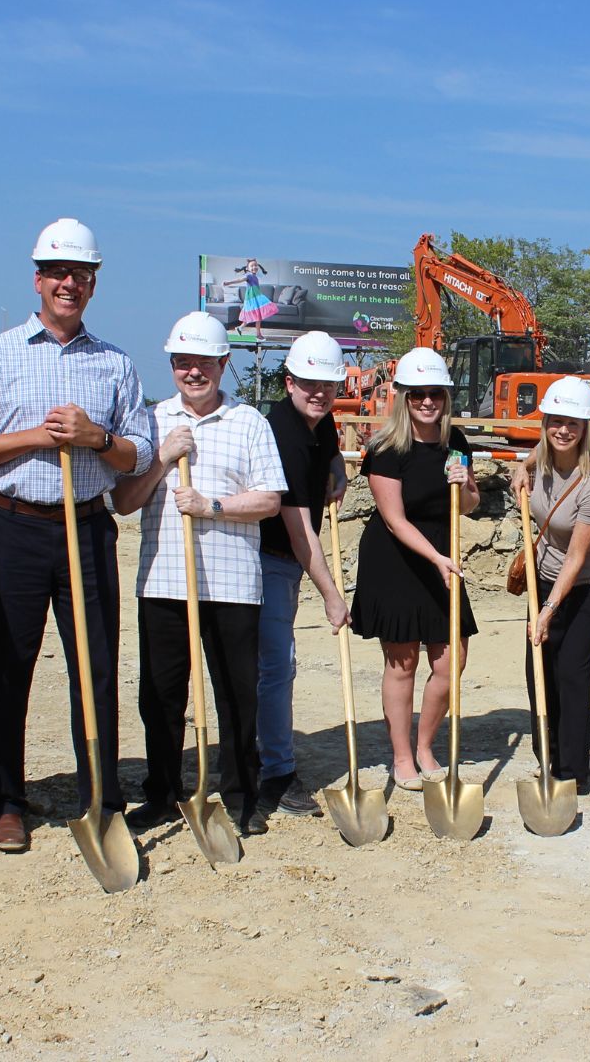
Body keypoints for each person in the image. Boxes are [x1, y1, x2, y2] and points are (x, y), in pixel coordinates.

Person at [0, 218, 155, 854]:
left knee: (94, 667)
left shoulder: (115, 364)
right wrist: (39, 438)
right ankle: (7, 800)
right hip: (13, 526)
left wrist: (96, 438)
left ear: (93, 284)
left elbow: (141, 452)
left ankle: (101, 795)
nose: (70, 283)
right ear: (38, 280)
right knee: (8, 664)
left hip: (87, 527)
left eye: (82, 274)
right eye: (59, 273)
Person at [115, 312, 285, 837]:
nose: (194, 372)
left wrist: (211, 505)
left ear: (223, 364)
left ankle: (240, 796)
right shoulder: (149, 420)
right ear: (171, 366)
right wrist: (164, 458)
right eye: (183, 363)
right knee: (161, 697)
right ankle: (162, 794)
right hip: (164, 582)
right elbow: (124, 501)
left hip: (233, 585)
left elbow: (270, 501)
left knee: (237, 696)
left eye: (204, 363)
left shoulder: (250, 421)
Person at [348, 348, 479, 790]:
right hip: (398, 559)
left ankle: (425, 746)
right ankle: (402, 756)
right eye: (418, 394)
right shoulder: (386, 449)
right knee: (401, 662)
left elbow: (471, 505)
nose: (428, 402)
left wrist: (467, 487)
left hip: (444, 555)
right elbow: (394, 519)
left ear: (445, 397)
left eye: (436, 394)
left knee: (451, 661)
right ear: (403, 397)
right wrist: (438, 559)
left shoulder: (455, 443)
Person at [254, 331, 351, 819]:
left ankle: (260, 754)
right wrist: (333, 596)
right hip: (268, 558)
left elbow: (329, 452)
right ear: (289, 381)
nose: (319, 393)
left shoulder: (319, 420)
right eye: (309, 383)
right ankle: (276, 773)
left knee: (268, 668)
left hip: (285, 562)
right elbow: (299, 533)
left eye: (328, 385)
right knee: (276, 668)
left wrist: (338, 470)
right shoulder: (283, 434)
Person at [511, 377, 590, 790]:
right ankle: (547, 755)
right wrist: (523, 464)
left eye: (573, 423)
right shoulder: (545, 458)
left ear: (586, 428)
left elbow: (575, 558)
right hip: (542, 575)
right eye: (556, 421)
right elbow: (540, 449)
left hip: (587, 584)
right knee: (538, 668)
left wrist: (548, 611)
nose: (563, 430)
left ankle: (572, 770)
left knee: (570, 670)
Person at [230, 258, 278, 341]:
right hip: (251, 299)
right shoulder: (248, 275)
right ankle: (258, 335)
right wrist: (228, 283)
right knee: (257, 316)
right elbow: (240, 280)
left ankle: (240, 328)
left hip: (256, 297)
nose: (254, 267)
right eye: (252, 266)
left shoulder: (255, 276)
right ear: (247, 269)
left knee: (255, 316)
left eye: (255, 265)